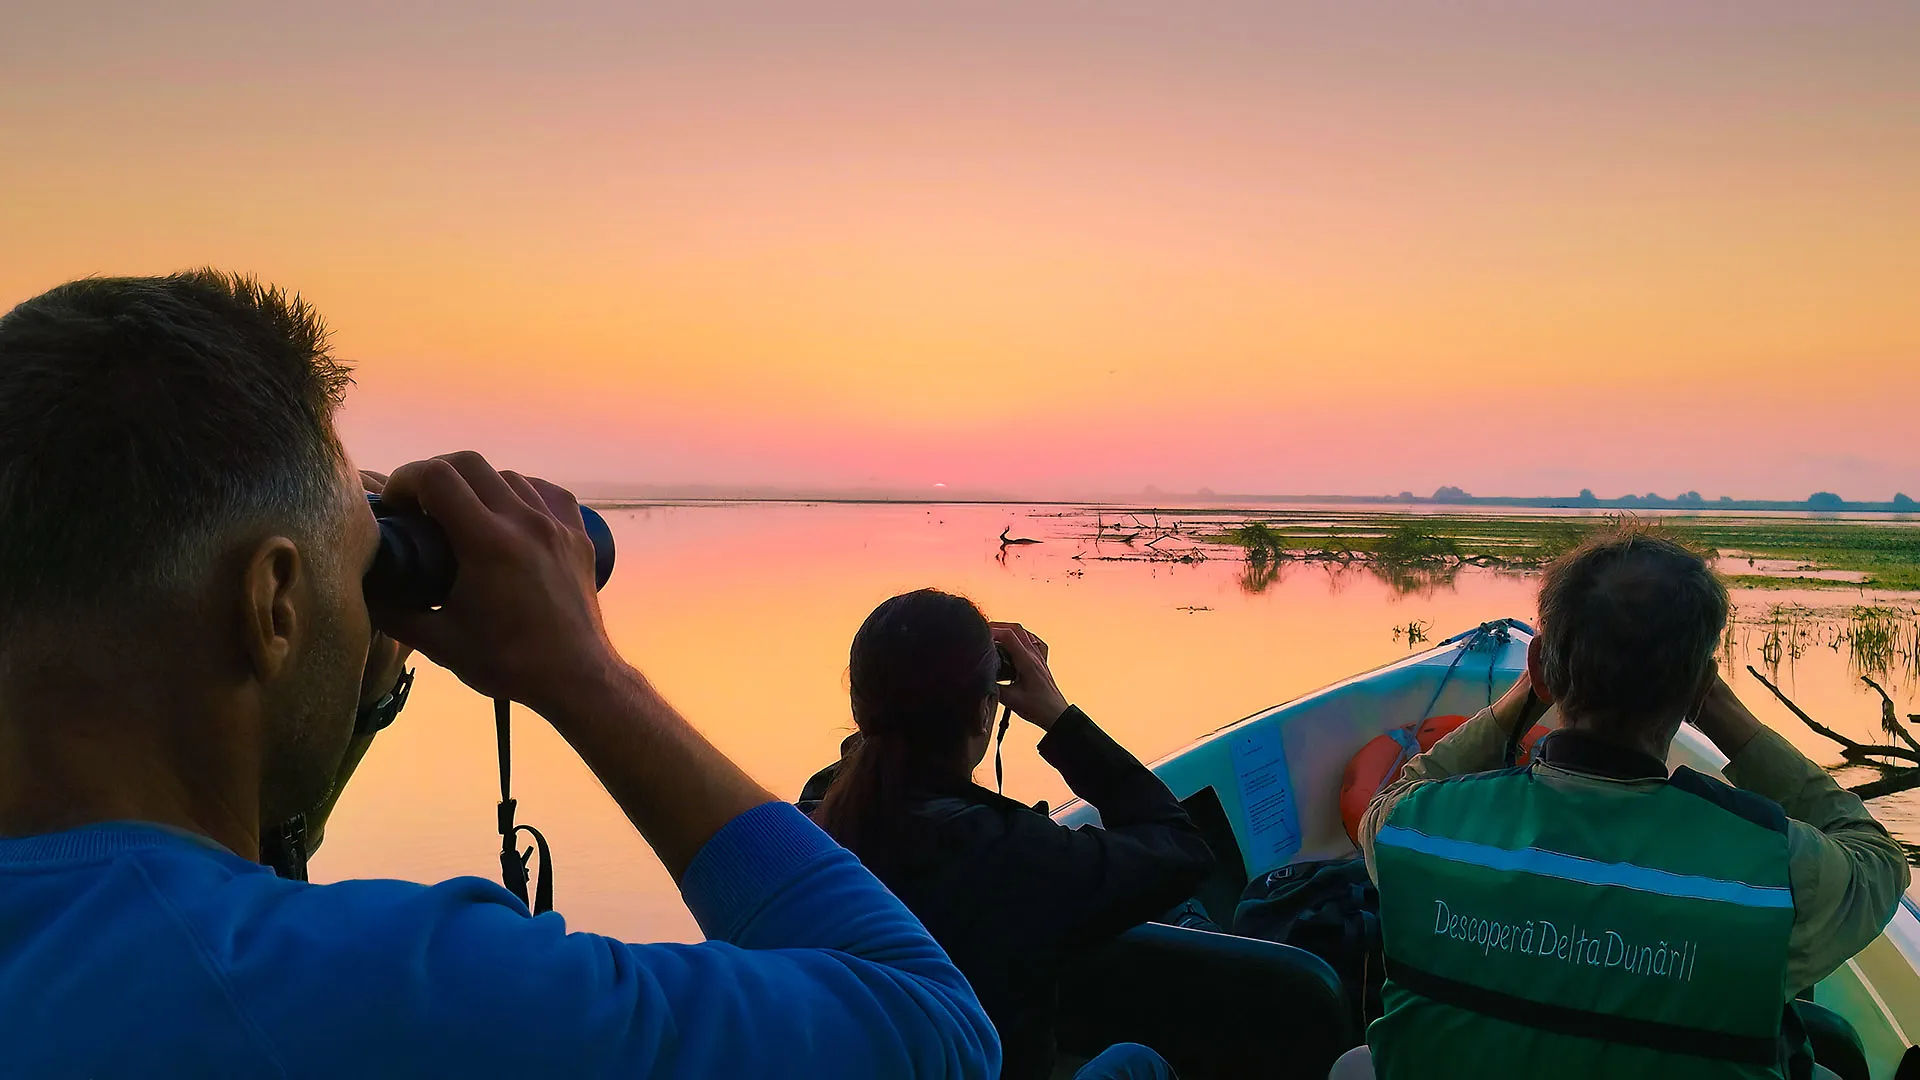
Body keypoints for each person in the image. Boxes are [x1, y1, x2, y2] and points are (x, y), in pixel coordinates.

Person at [0, 271, 998, 1078]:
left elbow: (192, 887)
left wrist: (360, 687)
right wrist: (585, 673)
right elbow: (933, 1028)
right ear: (274, 604)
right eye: (363, 569)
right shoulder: (406, 993)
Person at [1335, 526, 1909, 1079]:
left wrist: (1524, 698)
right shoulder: (1777, 872)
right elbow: (1879, 860)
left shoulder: (1412, 830)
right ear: (1697, 687)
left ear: (1541, 670)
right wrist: (1723, 716)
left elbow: (1398, 792)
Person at [805, 589, 1214, 1080]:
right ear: (985, 712)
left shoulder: (809, 828)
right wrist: (1059, 719)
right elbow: (1182, 847)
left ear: (857, 707)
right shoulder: (1017, 854)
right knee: (1138, 1063)